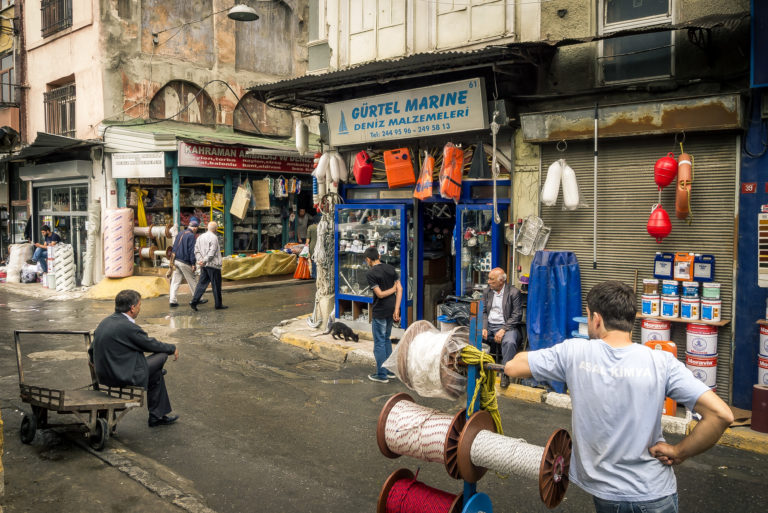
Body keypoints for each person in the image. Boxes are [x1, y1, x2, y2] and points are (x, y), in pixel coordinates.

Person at [503, 280, 733, 513]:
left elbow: (512, 367)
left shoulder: (574, 352)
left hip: (608, 497)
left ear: (596, 319)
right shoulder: (661, 362)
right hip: (655, 493)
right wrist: (678, 452)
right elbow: (721, 415)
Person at [89, 290, 180, 427]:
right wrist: (172, 348)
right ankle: (156, 414)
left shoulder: (105, 322)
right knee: (162, 355)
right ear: (132, 308)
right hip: (120, 375)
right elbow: (149, 344)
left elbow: (91, 350)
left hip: (103, 375)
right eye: (139, 305)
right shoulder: (128, 327)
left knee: (156, 374)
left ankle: (157, 416)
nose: (139, 308)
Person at [364, 247, 402, 383]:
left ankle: (381, 375)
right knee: (386, 339)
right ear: (379, 256)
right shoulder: (391, 268)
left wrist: (392, 289)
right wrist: (397, 309)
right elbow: (400, 289)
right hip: (391, 308)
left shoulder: (370, 273)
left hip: (380, 310)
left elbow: (380, 294)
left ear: (368, 259)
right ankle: (389, 371)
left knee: (379, 342)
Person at [482, 267, 523, 388]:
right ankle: (478, 370)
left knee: (509, 342)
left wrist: (503, 329)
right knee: (473, 337)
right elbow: (483, 312)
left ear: (501, 281)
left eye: (492, 279)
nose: (488, 282)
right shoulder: (487, 292)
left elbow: (517, 315)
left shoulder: (513, 292)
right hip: (489, 325)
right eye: (489, 279)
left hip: (507, 326)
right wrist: (484, 327)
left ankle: (505, 373)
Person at [167, 217, 207, 308]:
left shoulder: (180, 233)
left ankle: (172, 300)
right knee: (192, 280)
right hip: (184, 262)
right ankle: (198, 299)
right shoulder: (191, 236)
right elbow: (192, 251)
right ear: (195, 228)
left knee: (175, 281)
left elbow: (174, 246)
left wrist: (172, 261)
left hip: (176, 260)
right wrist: (193, 264)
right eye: (197, 228)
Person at [191, 221, 226, 311]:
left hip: (204, 265)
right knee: (216, 285)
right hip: (213, 265)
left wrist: (200, 260)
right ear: (216, 229)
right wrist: (204, 260)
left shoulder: (200, 237)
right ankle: (218, 304)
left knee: (201, 284)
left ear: (207, 228)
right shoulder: (214, 237)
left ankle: (194, 301)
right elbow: (212, 252)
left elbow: (196, 250)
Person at [306, 214, 319, 279]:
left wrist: (306, 246)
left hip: (312, 246)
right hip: (320, 245)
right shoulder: (321, 227)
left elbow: (308, 238)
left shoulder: (310, 227)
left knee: (313, 260)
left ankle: (314, 275)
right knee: (319, 260)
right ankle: (319, 274)